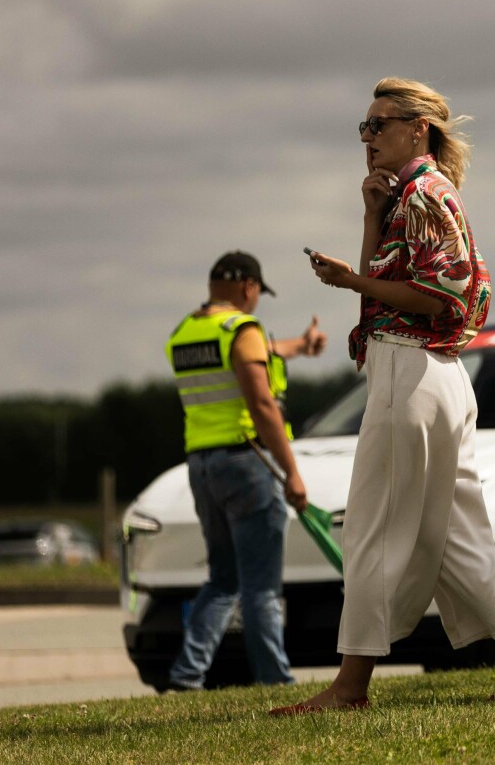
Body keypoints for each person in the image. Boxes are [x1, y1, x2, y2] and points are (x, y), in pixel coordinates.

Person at [271, 77, 495, 714]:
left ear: (417, 128)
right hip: (434, 374)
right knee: (456, 536)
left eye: (380, 125)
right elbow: (380, 286)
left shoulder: (426, 192)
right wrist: (369, 220)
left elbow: (443, 294)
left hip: (412, 373)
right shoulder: (406, 195)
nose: (368, 138)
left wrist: (349, 280)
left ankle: (349, 687)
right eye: (364, 128)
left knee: (371, 529)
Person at [164, 251, 325, 691]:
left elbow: (250, 355)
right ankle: (275, 680)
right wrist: (291, 471)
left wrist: (298, 347)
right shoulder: (242, 328)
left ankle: (185, 676)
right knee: (261, 587)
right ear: (248, 287)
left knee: (222, 579)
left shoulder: (186, 332)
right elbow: (261, 404)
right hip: (248, 462)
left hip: (201, 465)